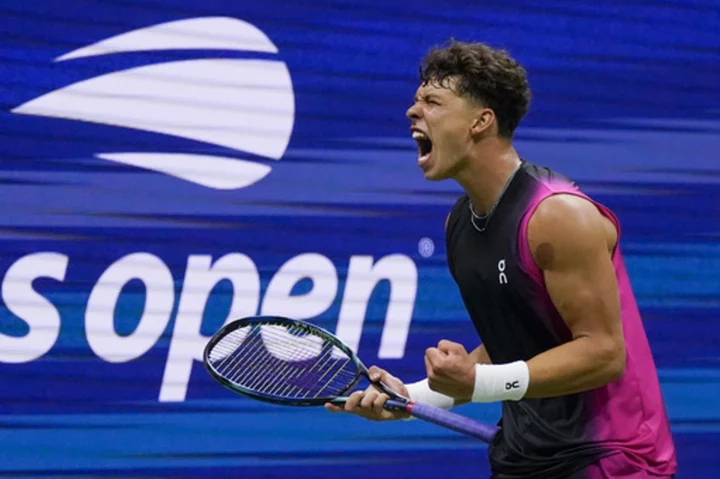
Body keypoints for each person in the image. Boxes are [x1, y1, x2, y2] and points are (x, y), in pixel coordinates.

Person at [324, 40, 678, 478]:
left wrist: (480, 383)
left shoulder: (556, 216)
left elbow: (604, 353)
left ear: (481, 121)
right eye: (416, 101)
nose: (412, 112)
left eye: (432, 101)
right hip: (523, 456)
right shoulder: (461, 224)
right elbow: (524, 342)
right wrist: (412, 400)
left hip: (609, 458)